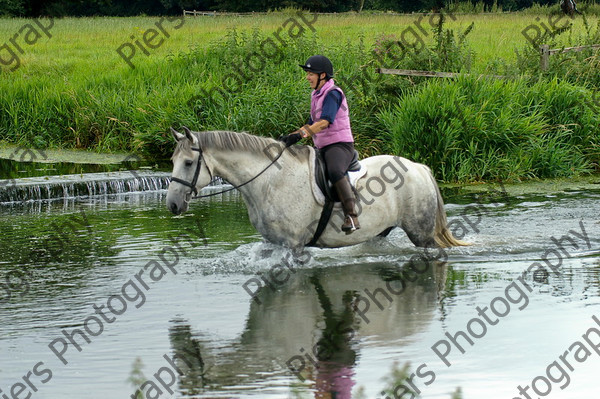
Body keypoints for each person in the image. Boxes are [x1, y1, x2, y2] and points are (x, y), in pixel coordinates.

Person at [279, 55, 360, 233]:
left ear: (322, 75)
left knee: (334, 170)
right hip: (322, 146)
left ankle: (351, 216)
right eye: (307, 73)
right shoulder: (316, 94)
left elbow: (325, 122)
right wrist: (289, 137)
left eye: (310, 73)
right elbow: (311, 123)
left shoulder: (333, 93)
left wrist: (300, 135)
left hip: (340, 145)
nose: (307, 77)